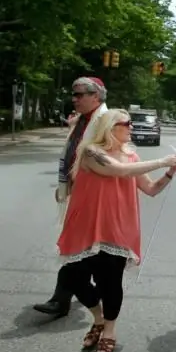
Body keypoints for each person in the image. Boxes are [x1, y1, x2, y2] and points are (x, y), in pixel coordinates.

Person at [58, 109, 176, 352]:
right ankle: (98, 317)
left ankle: (109, 331)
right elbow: (117, 170)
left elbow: (150, 189)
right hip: (85, 228)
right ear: (109, 128)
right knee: (72, 277)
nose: (131, 126)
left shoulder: (132, 157)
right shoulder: (91, 152)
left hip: (116, 228)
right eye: (126, 123)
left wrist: (169, 174)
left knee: (110, 283)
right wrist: (163, 161)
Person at [34, 77, 109, 318]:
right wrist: (65, 185)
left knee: (79, 248)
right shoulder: (83, 121)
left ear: (96, 96)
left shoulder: (107, 121)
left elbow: (113, 159)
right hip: (77, 193)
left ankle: (66, 299)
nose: (74, 99)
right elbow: (71, 153)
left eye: (80, 94)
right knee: (79, 248)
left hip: (95, 197)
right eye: (73, 94)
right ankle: (69, 296)